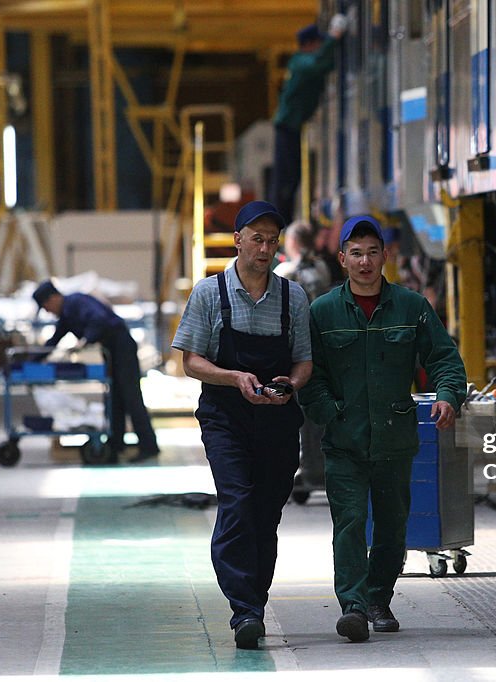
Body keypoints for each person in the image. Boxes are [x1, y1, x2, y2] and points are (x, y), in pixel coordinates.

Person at [299, 215, 467, 642]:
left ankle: (379, 599)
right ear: (342, 259)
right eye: (356, 253)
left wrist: (448, 395)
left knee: (392, 528)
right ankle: (353, 606)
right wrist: (328, 412)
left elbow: (445, 360)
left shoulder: (412, 308)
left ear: (384, 256)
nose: (365, 261)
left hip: (394, 439)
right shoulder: (323, 312)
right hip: (344, 440)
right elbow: (308, 374)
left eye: (372, 252)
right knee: (350, 523)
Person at [171, 200, 312, 650]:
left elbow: (304, 361)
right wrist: (233, 378)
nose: (265, 248)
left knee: (266, 513)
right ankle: (244, 610)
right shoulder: (209, 294)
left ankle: (254, 599)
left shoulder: (294, 297)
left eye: (272, 241)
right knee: (238, 501)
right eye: (257, 239)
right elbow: (191, 361)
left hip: (277, 419)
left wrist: (289, 383)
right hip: (225, 418)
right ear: (238, 240)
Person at [33, 281, 159, 463]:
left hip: (122, 346)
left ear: (53, 298)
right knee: (114, 399)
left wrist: (85, 340)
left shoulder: (77, 302)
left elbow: (99, 319)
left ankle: (149, 447)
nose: (47, 311)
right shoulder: (66, 316)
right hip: (110, 350)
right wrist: (31, 360)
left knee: (131, 397)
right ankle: (115, 446)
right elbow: (54, 340)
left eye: (46, 306)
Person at [270, 14, 348, 225]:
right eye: (319, 43)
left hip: (291, 127)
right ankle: (279, 222)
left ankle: (282, 220)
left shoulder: (301, 63)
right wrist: (334, 36)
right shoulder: (300, 62)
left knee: (291, 176)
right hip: (287, 127)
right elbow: (318, 63)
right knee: (286, 178)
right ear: (310, 44)